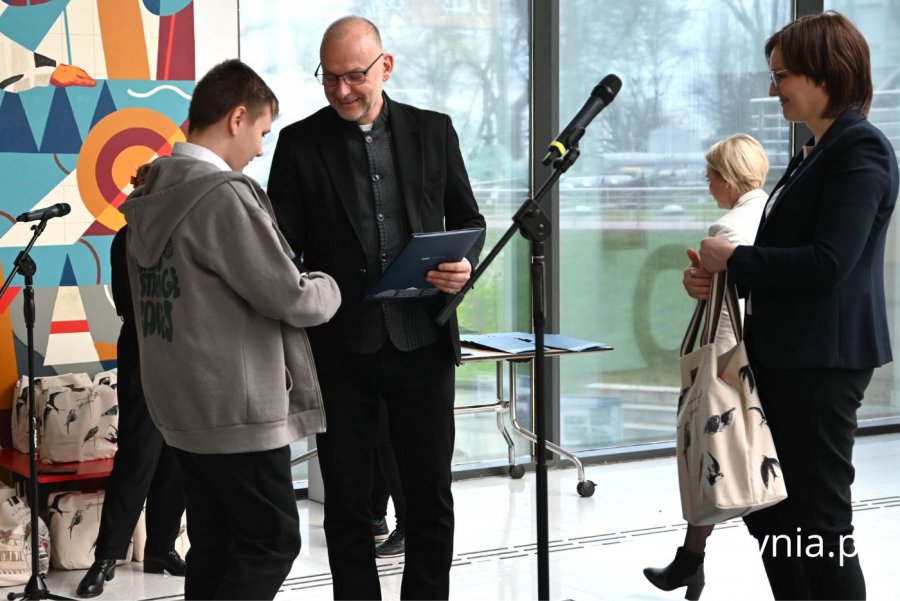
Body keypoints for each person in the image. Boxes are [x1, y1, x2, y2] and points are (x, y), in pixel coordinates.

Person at [266, 16, 485, 600]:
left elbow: (469, 220)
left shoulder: (433, 131)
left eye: (354, 76)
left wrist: (461, 267)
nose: (341, 90)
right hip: (341, 352)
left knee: (430, 499)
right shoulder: (298, 143)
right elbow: (280, 249)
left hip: (423, 344)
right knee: (345, 503)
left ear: (385, 67)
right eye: (329, 78)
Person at [119, 59, 342, 600]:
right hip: (236, 409)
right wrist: (329, 285)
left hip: (183, 410)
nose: (262, 148)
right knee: (271, 539)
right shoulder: (223, 196)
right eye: (262, 132)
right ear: (237, 117)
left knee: (216, 542)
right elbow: (287, 294)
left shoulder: (150, 196)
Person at [694, 11, 898, 600]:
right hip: (788, 357)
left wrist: (733, 260)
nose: (771, 87)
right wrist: (721, 276)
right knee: (772, 513)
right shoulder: (815, 150)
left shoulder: (861, 150)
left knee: (820, 526)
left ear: (825, 72)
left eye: (781, 74)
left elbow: (828, 263)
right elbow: (790, 255)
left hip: (822, 363)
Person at [643, 133, 770, 599]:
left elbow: (723, 310)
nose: (708, 183)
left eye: (711, 174)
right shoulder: (772, 211)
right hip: (766, 354)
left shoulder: (727, 228)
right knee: (730, 457)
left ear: (729, 177)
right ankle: (689, 560)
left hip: (728, 358)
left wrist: (710, 371)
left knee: (712, 457)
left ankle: (691, 563)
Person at [76, 165, 186, 598]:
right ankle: (105, 557)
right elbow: (131, 304)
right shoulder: (129, 237)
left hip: (185, 356)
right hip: (144, 352)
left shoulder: (183, 231)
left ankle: (161, 548)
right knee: (139, 454)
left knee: (177, 455)